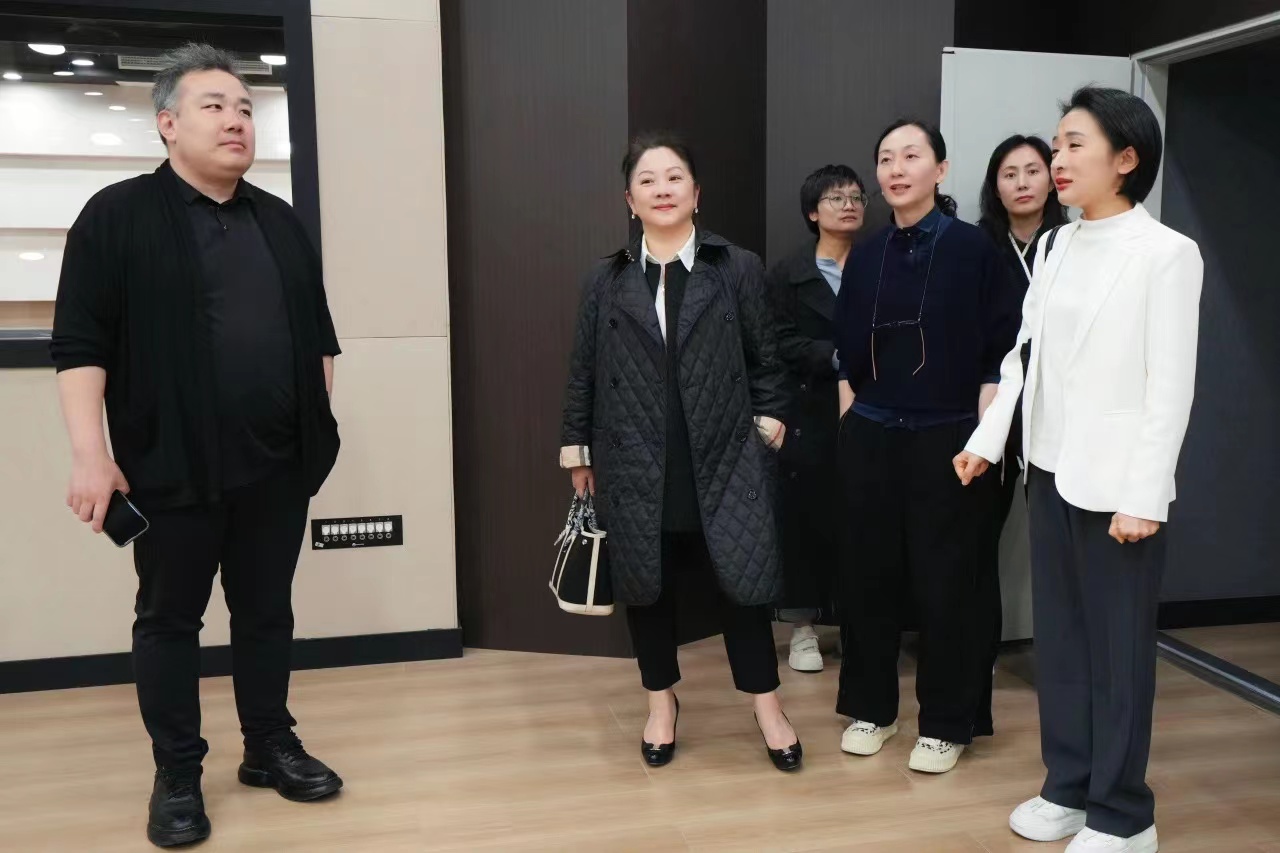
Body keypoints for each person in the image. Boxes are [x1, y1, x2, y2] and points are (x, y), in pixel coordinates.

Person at [51, 44, 343, 848]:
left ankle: (269, 744)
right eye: (214, 105)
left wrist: (313, 427)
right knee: (169, 620)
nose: (235, 120)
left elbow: (318, 338)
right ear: (167, 124)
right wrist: (91, 453)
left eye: (245, 107)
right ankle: (177, 770)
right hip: (170, 465)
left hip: (275, 466)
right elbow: (80, 345)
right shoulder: (117, 216)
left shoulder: (280, 221)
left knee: (267, 613)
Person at [955, 87, 1203, 853]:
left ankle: (1125, 814)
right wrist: (989, 439)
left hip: (1119, 488)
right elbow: (1024, 357)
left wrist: (1145, 494)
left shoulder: (1166, 253)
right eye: (1056, 144)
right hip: (1050, 470)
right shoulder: (1058, 245)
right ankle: (1067, 784)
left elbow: (1170, 387)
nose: (1056, 160)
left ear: (1126, 158)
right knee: (1060, 645)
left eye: (1073, 144)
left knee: (1117, 653)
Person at [560, 132, 801, 772]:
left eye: (674, 177)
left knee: (743, 585)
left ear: (696, 193)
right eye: (647, 180)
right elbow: (583, 372)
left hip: (726, 456)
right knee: (648, 587)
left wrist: (766, 428)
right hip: (636, 458)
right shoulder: (606, 280)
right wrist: (578, 451)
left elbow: (768, 361)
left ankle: (768, 707)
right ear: (629, 200)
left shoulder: (736, 267)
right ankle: (660, 703)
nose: (662, 189)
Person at [831, 118, 1019, 774]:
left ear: (940, 170)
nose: (896, 168)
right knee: (868, 579)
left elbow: (1003, 351)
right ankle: (872, 710)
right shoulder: (867, 254)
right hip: (873, 432)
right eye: (886, 158)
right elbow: (846, 351)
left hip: (951, 436)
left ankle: (946, 722)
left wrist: (984, 441)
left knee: (950, 585)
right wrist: (851, 427)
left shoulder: (974, 248)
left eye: (911, 156)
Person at [972, 134, 1070, 737]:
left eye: (1034, 170)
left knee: (1059, 542)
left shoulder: (1072, 240)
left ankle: (1061, 665)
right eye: (1010, 173)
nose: (1024, 182)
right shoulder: (978, 246)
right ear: (995, 185)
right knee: (977, 539)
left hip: (1057, 411)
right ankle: (975, 654)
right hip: (992, 407)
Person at [766, 164, 867, 673]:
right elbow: (776, 340)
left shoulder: (878, 262)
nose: (848, 205)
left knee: (861, 521)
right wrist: (837, 355)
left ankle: (855, 625)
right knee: (804, 522)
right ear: (812, 212)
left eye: (856, 197)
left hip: (870, 408)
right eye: (835, 198)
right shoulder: (788, 272)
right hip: (809, 409)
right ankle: (803, 628)